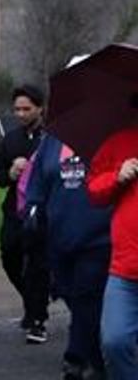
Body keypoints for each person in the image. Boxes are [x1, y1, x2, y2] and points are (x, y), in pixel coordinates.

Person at [26, 134, 111, 380]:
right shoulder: (51, 142)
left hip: (98, 237)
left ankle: (79, 358)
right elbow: (38, 182)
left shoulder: (108, 137)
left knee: (87, 298)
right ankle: (93, 352)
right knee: (72, 297)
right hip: (60, 238)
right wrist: (33, 209)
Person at [0, 84, 48, 340]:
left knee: (37, 263)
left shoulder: (50, 137)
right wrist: (11, 173)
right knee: (9, 256)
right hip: (15, 209)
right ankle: (32, 301)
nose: (21, 114)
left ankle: (38, 317)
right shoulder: (11, 139)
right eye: (17, 109)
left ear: (40, 108)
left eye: (27, 109)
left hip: (42, 210)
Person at [87, 128, 138, 380]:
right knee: (114, 341)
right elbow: (94, 192)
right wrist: (118, 175)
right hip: (125, 270)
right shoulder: (119, 143)